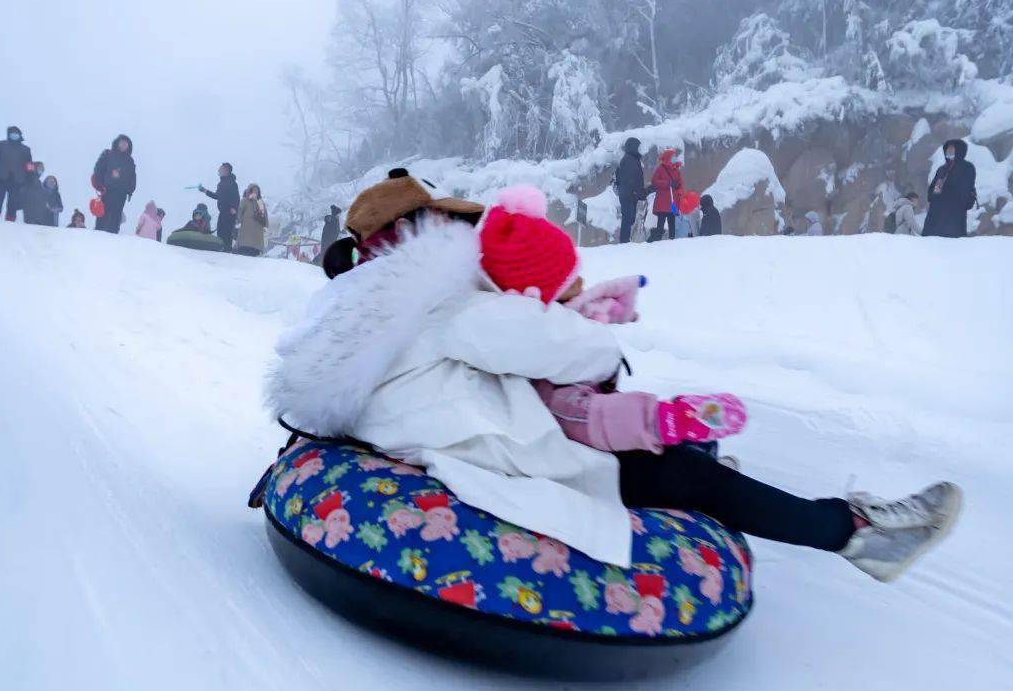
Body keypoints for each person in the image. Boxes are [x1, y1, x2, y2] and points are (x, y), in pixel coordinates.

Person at [268, 183, 962, 585]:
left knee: (656, 448)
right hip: (501, 453)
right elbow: (575, 352)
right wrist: (573, 310)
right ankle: (858, 533)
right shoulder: (437, 300)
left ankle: (718, 471)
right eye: (445, 224)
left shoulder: (339, 310)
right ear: (410, 236)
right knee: (684, 476)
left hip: (445, 439)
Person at [923, 140, 977, 238]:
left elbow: (965, 190)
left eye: (952, 149)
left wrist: (948, 193)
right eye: (947, 149)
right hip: (935, 215)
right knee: (930, 243)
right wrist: (933, 194)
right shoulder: (942, 169)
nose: (949, 151)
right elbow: (932, 190)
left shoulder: (967, 168)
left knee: (951, 246)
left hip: (954, 216)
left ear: (959, 151)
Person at [92, 134, 137, 233]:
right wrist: (99, 184)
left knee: (116, 215)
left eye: (126, 143)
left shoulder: (130, 160)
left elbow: (132, 176)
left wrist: (130, 190)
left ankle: (113, 236)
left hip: (121, 193)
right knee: (103, 214)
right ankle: (97, 235)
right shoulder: (108, 154)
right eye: (122, 142)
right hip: (107, 190)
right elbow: (98, 169)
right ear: (117, 143)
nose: (124, 145)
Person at [0, 126, 33, 220]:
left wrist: (29, 178)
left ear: (20, 135)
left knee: (13, 202)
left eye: (16, 133)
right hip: (0, 178)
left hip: (17, 180)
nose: (14, 135)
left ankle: (10, 220)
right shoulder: (0, 145)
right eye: (12, 133)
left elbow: (29, 165)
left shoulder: (26, 149)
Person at [614, 138, 647, 243]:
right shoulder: (628, 160)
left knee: (630, 218)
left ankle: (625, 240)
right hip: (628, 194)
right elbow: (630, 179)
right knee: (628, 218)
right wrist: (635, 192)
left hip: (630, 194)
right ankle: (624, 241)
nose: (639, 149)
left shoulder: (632, 159)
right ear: (633, 147)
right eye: (638, 147)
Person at [200, 163, 240, 252]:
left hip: (230, 212)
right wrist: (205, 191)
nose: (219, 171)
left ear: (226, 170)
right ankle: (221, 250)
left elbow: (236, 197)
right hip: (222, 211)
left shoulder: (232, 183)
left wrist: (234, 208)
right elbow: (217, 196)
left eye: (220, 169)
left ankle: (227, 251)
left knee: (227, 233)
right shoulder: (221, 183)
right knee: (221, 231)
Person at [647, 147, 682, 241]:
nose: (675, 158)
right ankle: (658, 241)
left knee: (672, 223)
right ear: (668, 157)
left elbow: (679, 183)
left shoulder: (676, 170)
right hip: (663, 200)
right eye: (673, 156)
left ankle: (672, 241)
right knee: (661, 223)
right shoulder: (661, 169)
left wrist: (677, 185)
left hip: (672, 201)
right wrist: (667, 183)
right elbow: (654, 181)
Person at [236, 184, 269, 255]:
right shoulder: (245, 200)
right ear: (249, 191)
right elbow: (240, 212)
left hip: (257, 229)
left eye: (256, 191)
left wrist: (266, 225)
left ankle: (255, 251)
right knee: (244, 250)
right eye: (253, 191)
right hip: (246, 228)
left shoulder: (260, 202)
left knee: (254, 251)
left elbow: (264, 215)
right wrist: (239, 221)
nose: (255, 192)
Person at [21, 161, 55, 226]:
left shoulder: (38, 182)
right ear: (35, 168)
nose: (42, 170)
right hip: (32, 214)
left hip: (38, 215)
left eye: (43, 169)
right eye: (40, 168)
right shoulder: (30, 180)